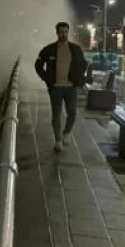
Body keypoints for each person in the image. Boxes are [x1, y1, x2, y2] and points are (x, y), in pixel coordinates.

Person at [34, 22, 88, 152]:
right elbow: (38, 65)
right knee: (56, 114)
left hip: (71, 88)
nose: (63, 34)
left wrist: (78, 78)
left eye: (66, 31)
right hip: (56, 88)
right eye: (61, 31)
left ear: (68, 32)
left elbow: (83, 64)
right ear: (57, 32)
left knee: (72, 112)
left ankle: (67, 133)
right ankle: (58, 140)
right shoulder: (49, 49)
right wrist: (47, 79)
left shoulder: (75, 49)